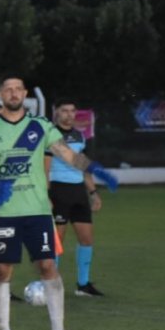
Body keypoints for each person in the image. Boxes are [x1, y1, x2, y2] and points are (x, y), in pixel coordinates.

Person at [0, 75, 118, 330]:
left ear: (25, 94)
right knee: (2, 270)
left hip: (38, 211)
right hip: (5, 212)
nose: (13, 93)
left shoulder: (40, 127)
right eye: (8, 89)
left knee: (47, 266)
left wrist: (95, 170)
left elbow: (67, 154)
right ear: (0, 94)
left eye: (18, 89)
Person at [44, 98, 105, 297]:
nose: (69, 115)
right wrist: (46, 194)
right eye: (64, 111)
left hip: (78, 191)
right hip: (58, 191)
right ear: (57, 113)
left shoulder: (80, 136)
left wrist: (93, 192)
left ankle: (83, 284)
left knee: (86, 239)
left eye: (72, 111)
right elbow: (44, 168)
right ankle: (52, 285)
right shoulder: (50, 135)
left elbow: (83, 166)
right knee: (57, 242)